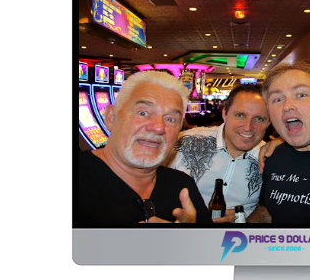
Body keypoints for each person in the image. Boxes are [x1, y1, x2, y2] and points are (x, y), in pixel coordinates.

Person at [78, 70, 212, 226]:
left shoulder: (182, 185)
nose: (158, 127)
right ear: (111, 117)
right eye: (143, 113)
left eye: (170, 119)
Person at [246, 62, 310, 224]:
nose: (287, 106)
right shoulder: (273, 154)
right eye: (277, 99)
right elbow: (267, 208)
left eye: (301, 95)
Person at [164, 84, 270, 222]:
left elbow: (272, 209)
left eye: (259, 118)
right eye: (240, 115)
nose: (248, 127)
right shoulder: (184, 142)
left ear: (269, 122)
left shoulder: (272, 160)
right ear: (225, 113)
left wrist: (245, 217)